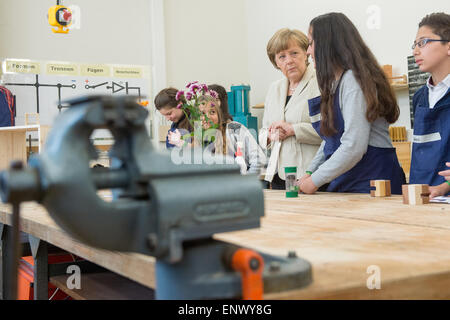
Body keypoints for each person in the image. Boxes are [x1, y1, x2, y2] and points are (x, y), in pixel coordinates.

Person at [299, 12, 405, 194]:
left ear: (328, 44)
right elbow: (331, 139)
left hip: (373, 179)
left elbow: (354, 146)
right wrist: (310, 171)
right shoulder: (338, 82)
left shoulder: (352, 81)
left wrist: (314, 181)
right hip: (354, 177)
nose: (308, 51)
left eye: (311, 43)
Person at [259, 28, 322, 190]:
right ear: (276, 63)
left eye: (294, 53)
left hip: (312, 175)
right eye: (282, 56)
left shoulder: (321, 83)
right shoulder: (274, 89)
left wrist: (293, 129)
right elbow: (264, 130)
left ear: (306, 54)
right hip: (279, 175)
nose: (289, 60)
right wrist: (269, 136)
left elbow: (331, 131)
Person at [409, 13, 450, 197]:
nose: (416, 51)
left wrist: (444, 187)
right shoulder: (420, 97)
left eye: (423, 42)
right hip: (421, 195)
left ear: (448, 46)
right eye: (415, 45)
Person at [199, 94, 266, 175]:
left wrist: (246, 182)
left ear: (219, 114)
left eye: (212, 112)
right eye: (202, 113)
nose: (207, 117)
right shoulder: (193, 140)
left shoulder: (234, 129)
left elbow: (258, 160)